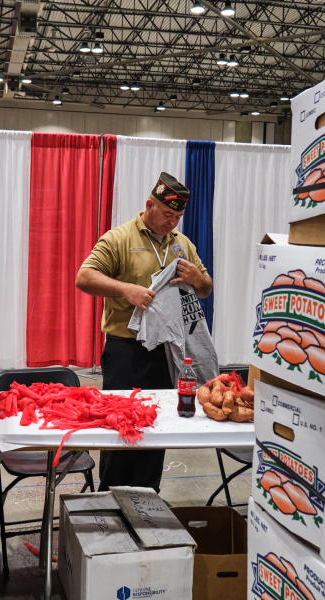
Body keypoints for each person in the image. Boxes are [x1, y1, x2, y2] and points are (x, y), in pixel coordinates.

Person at [75, 172, 213, 491]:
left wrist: (197, 279)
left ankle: (148, 499)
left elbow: (206, 289)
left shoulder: (183, 245)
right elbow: (84, 277)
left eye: (178, 216)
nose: (172, 223)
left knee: (157, 428)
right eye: (167, 214)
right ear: (149, 205)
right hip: (125, 351)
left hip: (165, 353)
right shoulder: (120, 238)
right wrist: (126, 290)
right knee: (120, 428)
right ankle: (110, 498)